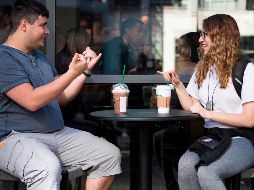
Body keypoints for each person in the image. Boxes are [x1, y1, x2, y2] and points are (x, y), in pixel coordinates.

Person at [0, 1, 121, 190]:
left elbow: (62, 96)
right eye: (42, 25)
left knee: (108, 155)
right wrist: (71, 73)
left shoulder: (39, 57)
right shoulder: (4, 58)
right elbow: (32, 101)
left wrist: (84, 71)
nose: (47, 31)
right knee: (46, 167)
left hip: (57, 134)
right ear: (24, 25)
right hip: (15, 138)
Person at [159, 14, 254, 190]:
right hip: (213, 136)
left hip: (243, 138)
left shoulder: (246, 70)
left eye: (205, 34)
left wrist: (207, 113)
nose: (201, 40)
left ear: (221, 37)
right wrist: (178, 86)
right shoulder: (203, 70)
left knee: (208, 172)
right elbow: (192, 107)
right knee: (185, 166)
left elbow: (249, 119)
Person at [153, 31, 201, 190]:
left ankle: (171, 183)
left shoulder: (190, 68)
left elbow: (183, 100)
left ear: (193, 48)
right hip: (186, 120)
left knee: (159, 138)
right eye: (179, 46)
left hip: (194, 125)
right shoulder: (186, 65)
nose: (180, 50)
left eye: (183, 47)